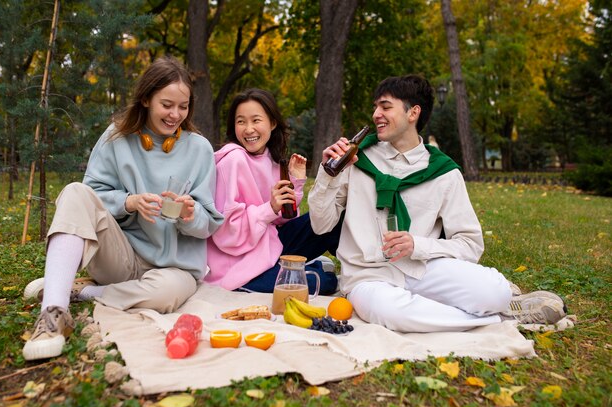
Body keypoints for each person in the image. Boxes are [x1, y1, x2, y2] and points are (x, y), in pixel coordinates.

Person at [307, 75, 566, 333]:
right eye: (375, 107)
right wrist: (327, 175)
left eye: (385, 107)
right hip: (368, 276)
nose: (376, 114)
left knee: (495, 292)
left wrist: (417, 245)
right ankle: (502, 320)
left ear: (413, 113)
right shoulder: (354, 160)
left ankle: (500, 303)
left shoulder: (443, 172)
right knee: (392, 312)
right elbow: (321, 226)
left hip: (420, 267)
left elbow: (470, 244)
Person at [22, 56, 224, 360]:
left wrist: (189, 214)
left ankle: (80, 291)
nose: (175, 114)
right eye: (167, 105)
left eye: (183, 107)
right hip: (122, 258)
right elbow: (92, 194)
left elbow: (209, 222)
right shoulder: (116, 137)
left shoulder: (199, 149)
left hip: (173, 268)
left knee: (166, 295)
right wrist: (128, 202)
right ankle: (53, 313)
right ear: (145, 98)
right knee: (75, 192)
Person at [206, 88, 340, 294]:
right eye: (241, 121)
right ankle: (305, 268)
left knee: (333, 218)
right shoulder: (232, 161)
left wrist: (294, 184)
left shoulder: (271, 159)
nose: (248, 129)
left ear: (272, 123)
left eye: (256, 120)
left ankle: (361, 272)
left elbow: (282, 220)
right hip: (239, 263)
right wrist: (269, 208)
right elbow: (227, 235)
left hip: (269, 245)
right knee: (325, 281)